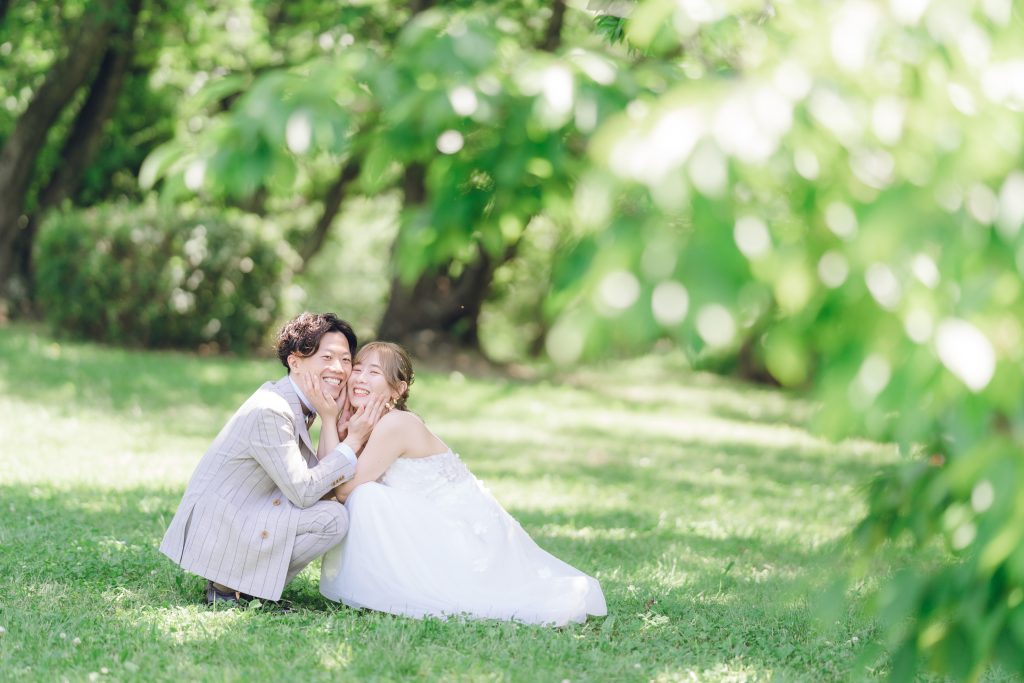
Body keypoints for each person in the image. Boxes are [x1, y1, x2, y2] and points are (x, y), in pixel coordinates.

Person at [319, 341, 607, 626]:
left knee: (366, 496)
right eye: (357, 369)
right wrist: (334, 421)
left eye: (374, 373)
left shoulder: (396, 424)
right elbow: (327, 476)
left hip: (465, 538)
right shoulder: (366, 423)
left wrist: (335, 425)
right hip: (433, 529)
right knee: (367, 495)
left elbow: (341, 490)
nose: (359, 378)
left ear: (398, 389)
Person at [160, 312, 386, 605]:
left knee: (330, 511)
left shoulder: (301, 404)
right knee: (331, 519)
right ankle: (228, 587)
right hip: (222, 530)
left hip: (246, 511)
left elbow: (320, 485)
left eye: (346, 360)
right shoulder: (273, 409)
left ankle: (245, 587)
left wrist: (333, 421)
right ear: (295, 361)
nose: (339, 369)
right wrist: (353, 440)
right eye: (327, 357)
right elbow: (305, 491)